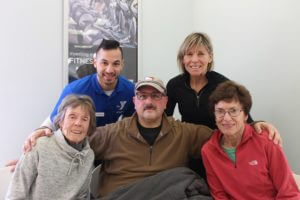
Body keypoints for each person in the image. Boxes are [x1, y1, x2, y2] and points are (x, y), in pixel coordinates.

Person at [22, 77, 281, 199]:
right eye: (142, 96)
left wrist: (256, 124)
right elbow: (73, 141)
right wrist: (43, 134)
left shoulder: (185, 132)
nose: (149, 101)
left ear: (165, 102)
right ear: (134, 101)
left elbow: (227, 132)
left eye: (155, 96)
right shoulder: (112, 132)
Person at [165, 32, 281, 176]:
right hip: (189, 149)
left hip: (218, 149)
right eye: (189, 54)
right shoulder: (174, 85)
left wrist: (260, 124)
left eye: (201, 54)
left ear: (210, 57)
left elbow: (243, 118)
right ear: (183, 58)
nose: (194, 60)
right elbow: (164, 118)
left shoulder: (222, 84)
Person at [201, 81, 300, 199]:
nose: (226, 118)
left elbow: (289, 192)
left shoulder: (266, 141)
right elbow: (219, 195)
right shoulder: (208, 151)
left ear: (246, 115)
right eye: (220, 111)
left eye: (233, 111)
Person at [6, 94, 96, 200]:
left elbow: (82, 196)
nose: (78, 123)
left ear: (89, 126)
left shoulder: (89, 156)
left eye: (84, 119)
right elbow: (15, 195)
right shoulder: (39, 146)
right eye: (72, 117)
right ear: (61, 121)